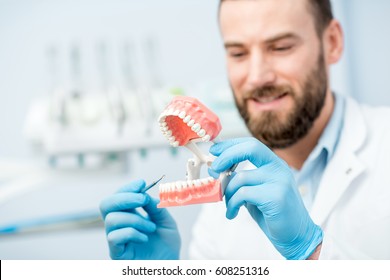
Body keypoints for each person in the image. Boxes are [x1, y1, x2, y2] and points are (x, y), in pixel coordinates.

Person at [99, 0, 390, 260]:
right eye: (238, 53)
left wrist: (312, 252)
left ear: (333, 42)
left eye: (280, 47)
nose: (257, 77)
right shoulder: (219, 209)